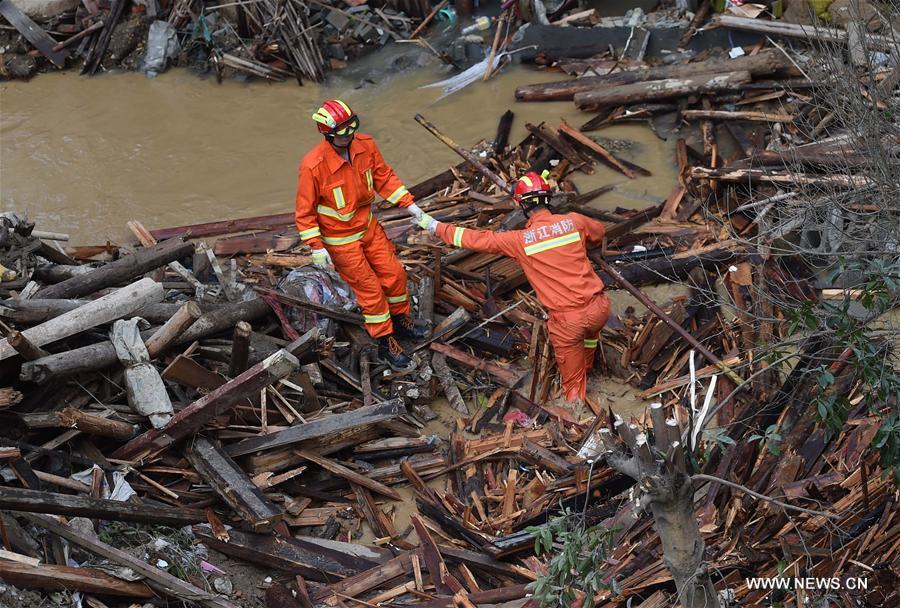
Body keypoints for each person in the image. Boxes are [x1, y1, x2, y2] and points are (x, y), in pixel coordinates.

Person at [415, 171, 610, 402]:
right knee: (589, 339)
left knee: (573, 385)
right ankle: (588, 367)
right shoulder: (574, 221)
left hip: (569, 321)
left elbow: (475, 240)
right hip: (599, 308)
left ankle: (577, 414)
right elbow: (598, 232)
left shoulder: (519, 240)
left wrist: (432, 225)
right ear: (547, 198)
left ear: (522, 205)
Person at [295, 99, 426, 371]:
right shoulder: (313, 166)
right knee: (370, 291)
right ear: (328, 134)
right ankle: (385, 341)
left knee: (395, 274)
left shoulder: (365, 145)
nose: (350, 134)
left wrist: (410, 206)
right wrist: (316, 247)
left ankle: (401, 320)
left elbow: (384, 178)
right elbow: (304, 212)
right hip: (341, 241)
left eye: (352, 126)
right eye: (343, 131)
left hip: (367, 227)